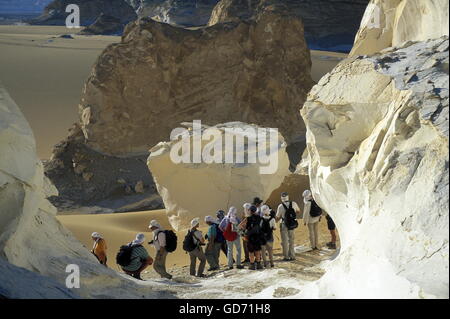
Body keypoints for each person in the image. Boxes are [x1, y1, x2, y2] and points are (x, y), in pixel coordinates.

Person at [275, 192, 301, 261]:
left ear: (281, 198)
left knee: (285, 241)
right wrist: (291, 215)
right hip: (291, 224)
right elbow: (298, 211)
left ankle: (286, 256)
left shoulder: (280, 206)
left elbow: (277, 217)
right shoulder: (294, 203)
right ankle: (292, 256)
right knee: (291, 240)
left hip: (284, 224)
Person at [244, 205, 264, 270]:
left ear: (250, 211)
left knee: (251, 252)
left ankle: (252, 265)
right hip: (257, 236)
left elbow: (246, 227)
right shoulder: (259, 217)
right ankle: (258, 264)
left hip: (250, 237)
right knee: (257, 251)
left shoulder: (248, 218)